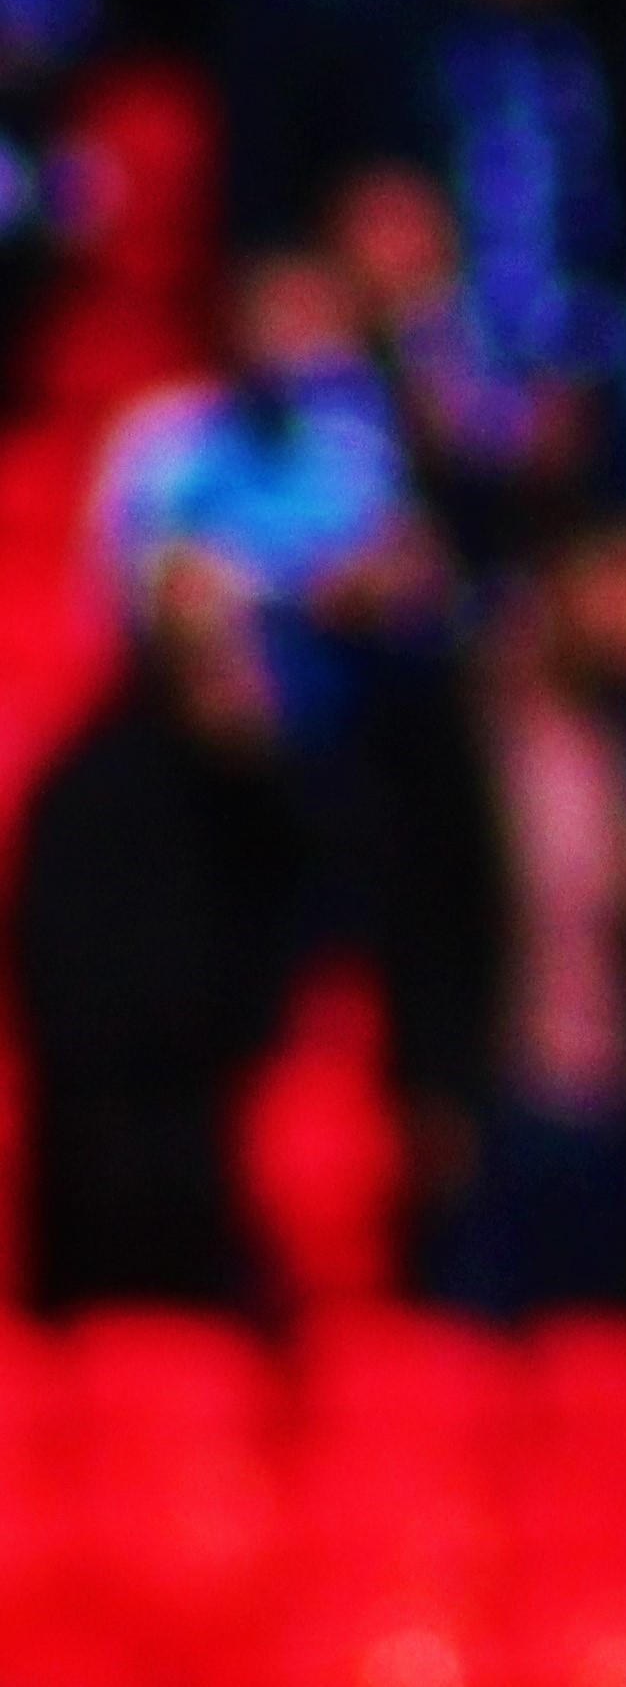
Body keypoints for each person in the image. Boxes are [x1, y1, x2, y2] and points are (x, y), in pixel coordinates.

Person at [11, 545, 310, 1309]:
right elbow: (56, 967)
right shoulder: (86, 782)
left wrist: (255, 769)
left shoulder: (248, 791)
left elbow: (300, 910)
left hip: (204, 1120)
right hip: (102, 1133)